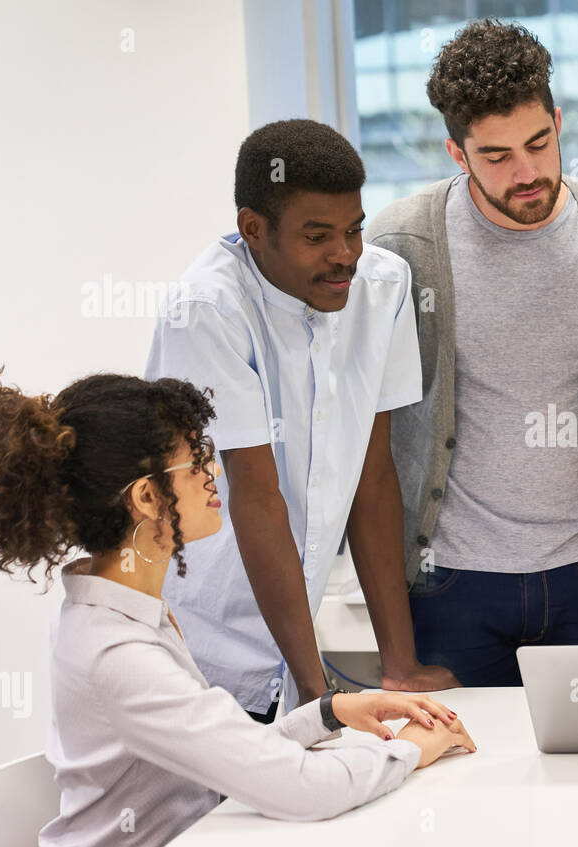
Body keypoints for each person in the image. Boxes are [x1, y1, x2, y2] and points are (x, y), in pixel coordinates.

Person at [0, 372, 475, 847]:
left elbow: (227, 759)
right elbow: (302, 790)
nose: (214, 470)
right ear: (147, 496)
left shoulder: (122, 614)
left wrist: (332, 711)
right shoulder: (117, 653)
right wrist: (413, 749)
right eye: (196, 460)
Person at [364, 19, 578, 687]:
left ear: (558, 121)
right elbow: (367, 430)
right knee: (466, 782)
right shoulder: (399, 248)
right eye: (497, 156)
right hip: (451, 581)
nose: (528, 173)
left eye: (540, 143)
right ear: (456, 152)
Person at [146, 119, 457, 722]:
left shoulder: (384, 286)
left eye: (353, 230)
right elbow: (257, 497)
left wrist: (400, 664)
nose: (344, 256)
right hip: (203, 658)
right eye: (318, 237)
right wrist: (323, 703)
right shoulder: (205, 311)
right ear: (253, 229)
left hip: (293, 655)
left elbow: (373, 477)